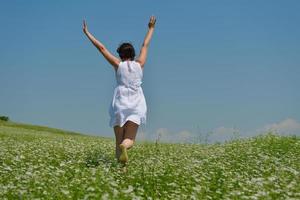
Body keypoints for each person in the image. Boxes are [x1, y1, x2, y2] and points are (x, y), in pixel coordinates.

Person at [83, 16, 156, 164]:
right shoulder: (140, 63)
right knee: (129, 140)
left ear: (120, 55)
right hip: (136, 104)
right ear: (133, 54)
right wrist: (151, 28)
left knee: (118, 141)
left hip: (120, 103)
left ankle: (122, 171)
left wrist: (87, 33)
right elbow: (145, 45)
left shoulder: (118, 64)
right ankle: (125, 146)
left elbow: (101, 48)